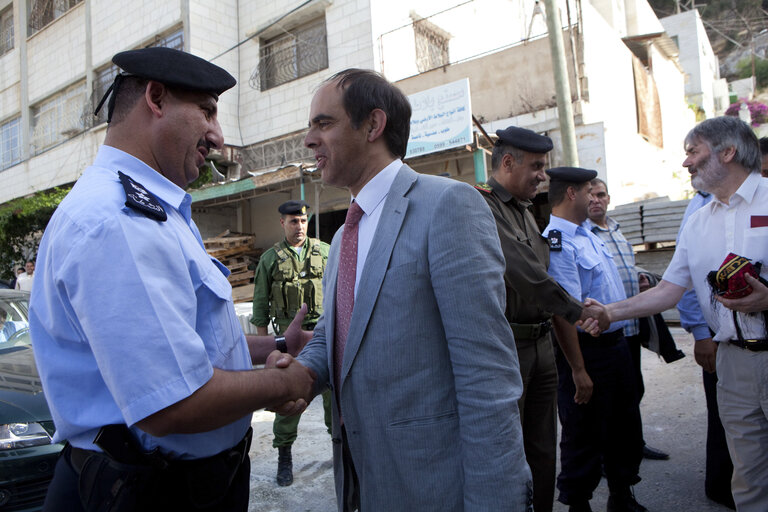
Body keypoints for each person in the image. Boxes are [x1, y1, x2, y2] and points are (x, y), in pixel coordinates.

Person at [28, 47, 316, 512]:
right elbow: (172, 403)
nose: (218, 137)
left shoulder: (153, 209)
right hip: (143, 491)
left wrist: (278, 347)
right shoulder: (119, 221)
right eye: (206, 111)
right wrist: (288, 383)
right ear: (156, 98)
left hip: (175, 483)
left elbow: (186, 345)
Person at [296, 69, 532, 511]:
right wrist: (303, 372)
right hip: (363, 476)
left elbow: (486, 376)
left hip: (433, 484)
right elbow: (341, 325)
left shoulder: (448, 206)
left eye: (323, 123)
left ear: (373, 125)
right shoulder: (344, 235)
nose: (309, 139)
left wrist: (495, 501)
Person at [582, 116, 768, 512]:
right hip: (732, 361)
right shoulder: (699, 221)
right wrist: (609, 313)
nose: (686, 163)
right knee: (749, 476)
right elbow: (668, 290)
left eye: (693, 152)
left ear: (728, 152)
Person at [475, 125, 585, 512]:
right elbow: (524, 271)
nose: (544, 175)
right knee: (508, 450)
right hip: (509, 349)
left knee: (542, 449)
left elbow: (546, 273)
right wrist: (578, 311)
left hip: (542, 346)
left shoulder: (524, 212)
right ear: (508, 162)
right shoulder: (482, 205)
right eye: (537, 166)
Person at [542, 167, 646, 512]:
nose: (594, 197)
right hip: (587, 350)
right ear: (572, 193)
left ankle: (621, 493)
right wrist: (578, 369)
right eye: (590, 191)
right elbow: (562, 312)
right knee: (583, 431)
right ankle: (578, 503)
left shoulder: (588, 233)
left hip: (615, 345)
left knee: (623, 423)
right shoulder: (558, 239)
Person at [586, 178, 671, 462]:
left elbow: (626, 267)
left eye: (600, 195)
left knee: (634, 387)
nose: (595, 200)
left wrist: (641, 276)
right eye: (590, 196)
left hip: (631, 326)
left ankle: (634, 443)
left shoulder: (618, 231)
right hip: (606, 329)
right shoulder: (584, 235)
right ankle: (607, 452)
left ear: (608, 198)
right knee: (608, 396)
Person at [251, 199, 333, 486]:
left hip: (324, 336)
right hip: (289, 341)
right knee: (288, 399)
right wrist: (265, 352)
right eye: (293, 221)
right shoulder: (270, 259)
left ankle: (341, 447)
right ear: (282, 223)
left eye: (302, 220)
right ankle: (284, 455)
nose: (299, 226)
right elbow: (260, 305)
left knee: (334, 400)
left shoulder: (325, 252)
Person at [675, 189, 735, 509]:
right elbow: (685, 277)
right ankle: (721, 484)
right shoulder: (701, 207)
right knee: (724, 411)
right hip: (720, 332)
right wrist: (700, 333)